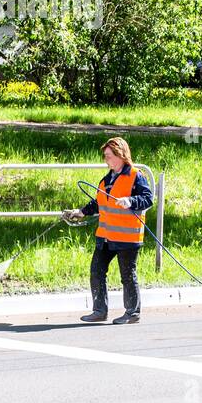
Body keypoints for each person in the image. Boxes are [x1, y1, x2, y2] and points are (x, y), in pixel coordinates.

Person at [62, 137, 154, 325]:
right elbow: (99, 202)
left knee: (127, 275)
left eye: (109, 156)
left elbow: (147, 198)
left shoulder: (136, 176)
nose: (107, 160)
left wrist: (131, 201)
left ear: (121, 155)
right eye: (105, 156)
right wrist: (80, 212)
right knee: (96, 271)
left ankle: (132, 313)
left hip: (127, 237)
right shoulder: (107, 179)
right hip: (106, 237)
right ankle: (99, 311)